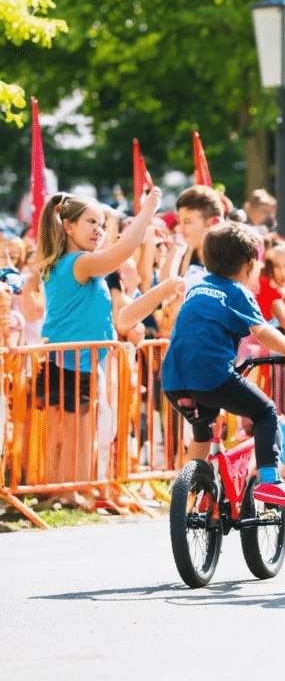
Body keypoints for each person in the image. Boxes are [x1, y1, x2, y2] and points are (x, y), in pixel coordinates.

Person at [161, 222, 285, 509]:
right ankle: (270, 482)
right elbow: (263, 331)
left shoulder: (197, 288)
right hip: (212, 377)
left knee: (202, 426)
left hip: (173, 379)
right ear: (249, 265)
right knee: (265, 412)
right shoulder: (237, 292)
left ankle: (193, 494)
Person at [36, 187, 164, 497]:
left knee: (80, 433)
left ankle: (75, 490)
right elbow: (124, 250)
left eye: (102, 225)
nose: (99, 230)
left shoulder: (76, 263)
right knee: (74, 434)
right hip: (69, 362)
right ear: (68, 226)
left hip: (78, 361)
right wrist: (149, 207)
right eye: (91, 222)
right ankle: (68, 493)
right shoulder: (79, 263)